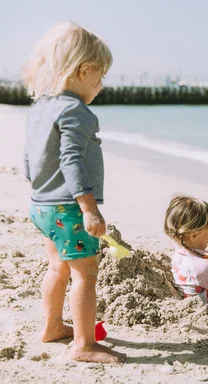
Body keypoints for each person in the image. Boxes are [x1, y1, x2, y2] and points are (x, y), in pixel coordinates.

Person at [23, 22, 125, 362]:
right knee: (86, 273)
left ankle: (52, 326)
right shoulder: (76, 112)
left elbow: (31, 157)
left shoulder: (40, 108)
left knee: (57, 268)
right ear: (85, 70)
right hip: (69, 208)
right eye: (101, 77)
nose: (101, 85)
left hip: (42, 204)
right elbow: (71, 160)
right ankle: (85, 344)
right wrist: (88, 207)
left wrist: (40, 189)